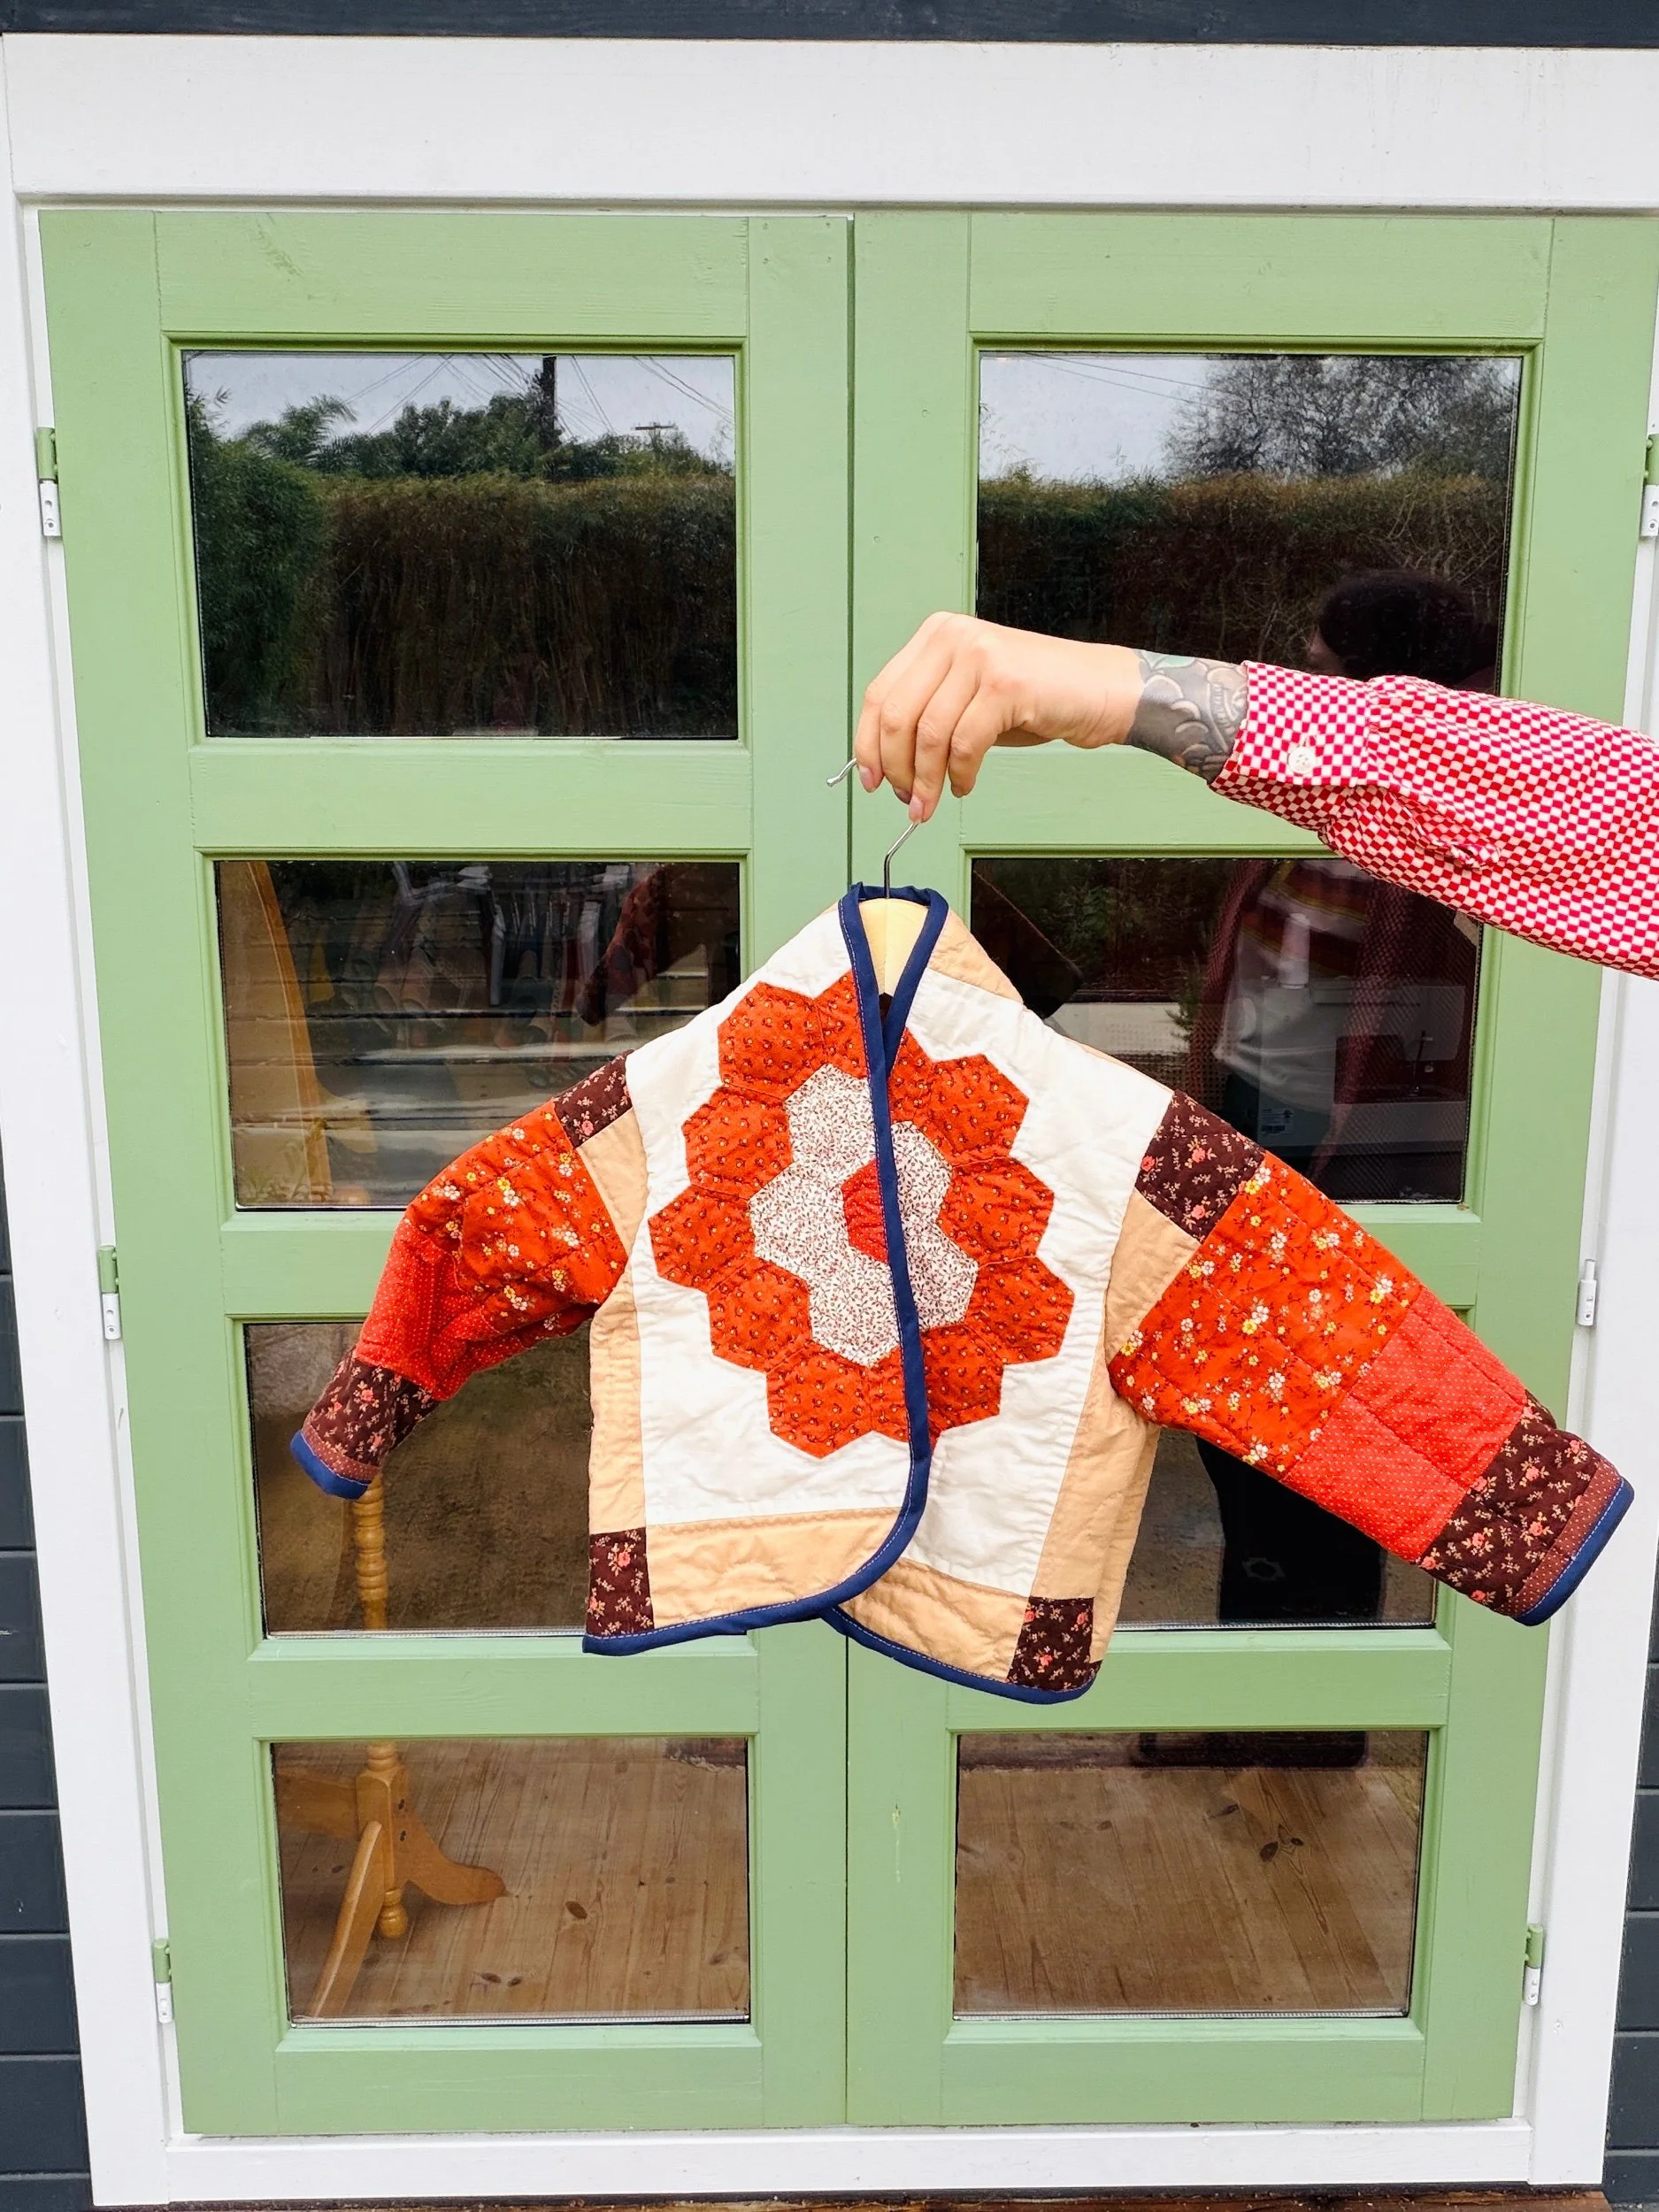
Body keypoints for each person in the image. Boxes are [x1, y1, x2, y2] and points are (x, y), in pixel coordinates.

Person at [852, 602, 1659, 980]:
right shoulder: (1324, 818)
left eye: (1323, 670)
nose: (1306, 672)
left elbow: (1620, 823)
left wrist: (1134, 693)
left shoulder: (1424, 866)